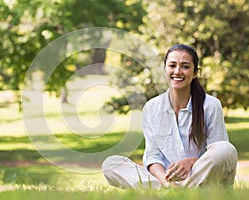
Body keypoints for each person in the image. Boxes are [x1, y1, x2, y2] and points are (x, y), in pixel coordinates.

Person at [102, 44, 238, 189]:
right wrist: (166, 183)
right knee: (111, 164)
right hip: (166, 181)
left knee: (225, 149)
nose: (178, 71)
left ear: (195, 73)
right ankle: (173, 192)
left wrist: (192, 162)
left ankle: (179, 191)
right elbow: (153, 157)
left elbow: (217, 154)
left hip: (201, 176)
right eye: (172, 65)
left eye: (185, 67)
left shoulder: (210, 105)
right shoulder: (151, 108)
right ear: (165, 69)